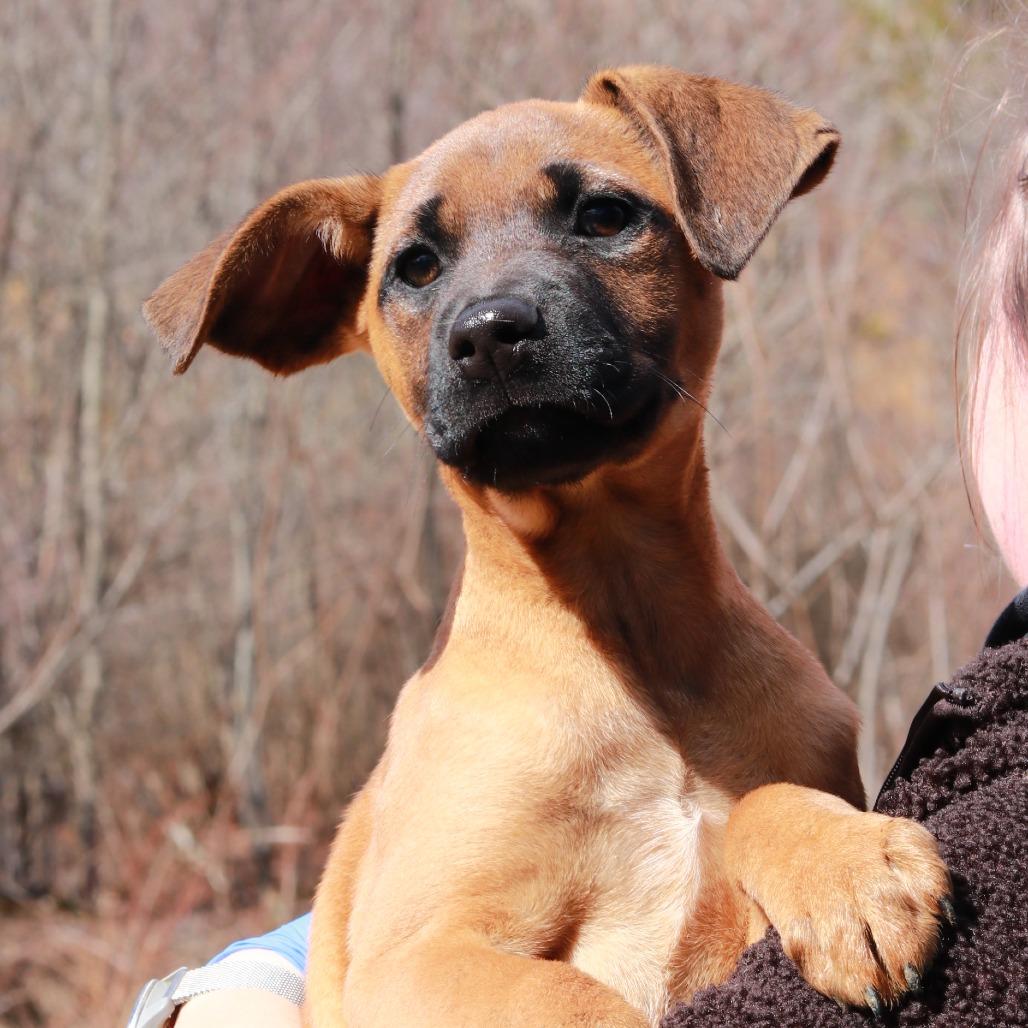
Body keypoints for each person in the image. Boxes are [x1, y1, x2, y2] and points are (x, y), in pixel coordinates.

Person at [132, 134, 1028, 1028]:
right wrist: (236, 983)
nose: (491, 314)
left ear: (706, 230)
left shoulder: (808, 725)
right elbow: (399, 986)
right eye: (417, 268)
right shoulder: (464, 730)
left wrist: (781, 825)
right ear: (337, 312)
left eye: (601, 219)